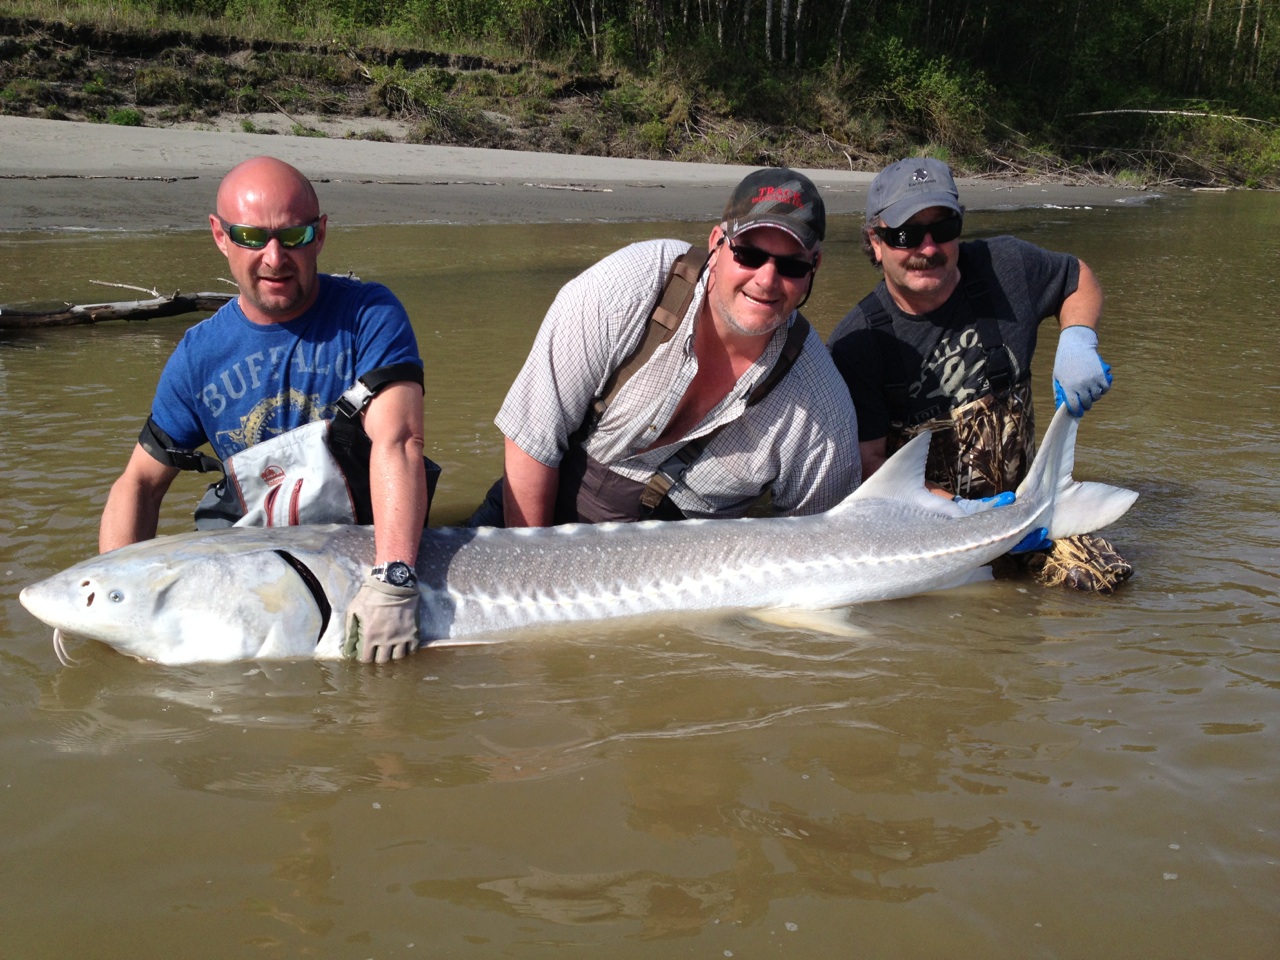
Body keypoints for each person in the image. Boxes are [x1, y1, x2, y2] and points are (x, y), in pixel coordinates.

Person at [98, 156, 430, 661]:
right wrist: (115, 589)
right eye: (252, 237)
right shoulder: (198, 356)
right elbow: (139, 483)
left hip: (365, 560)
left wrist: (395, 580)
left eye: (293, 236)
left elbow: (399, 441)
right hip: (256, 574)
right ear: (220, 235)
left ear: (319, 234)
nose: (274, 258)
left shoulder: (369, 315)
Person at [471, 167, 860, 528]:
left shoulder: (822, 406)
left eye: (791, 266)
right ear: (717, 244)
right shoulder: (626, 288)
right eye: (750, 255)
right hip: (531, 522)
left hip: (677, 567)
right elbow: (531, 440)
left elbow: (817, 540)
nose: (766, 280)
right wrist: (533, 562)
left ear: (814, 266)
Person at [827, 157, 1131, 592]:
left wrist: (1078, 338)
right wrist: (967, 515)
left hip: (1029, 512)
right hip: (927, 530)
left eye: (943, 229)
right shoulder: (856, 345)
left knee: (1103, 583)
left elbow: (1076, 277)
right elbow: (868, 466)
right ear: (876, 242)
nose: (928, 249)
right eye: (906, 235)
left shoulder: (1005, 265)